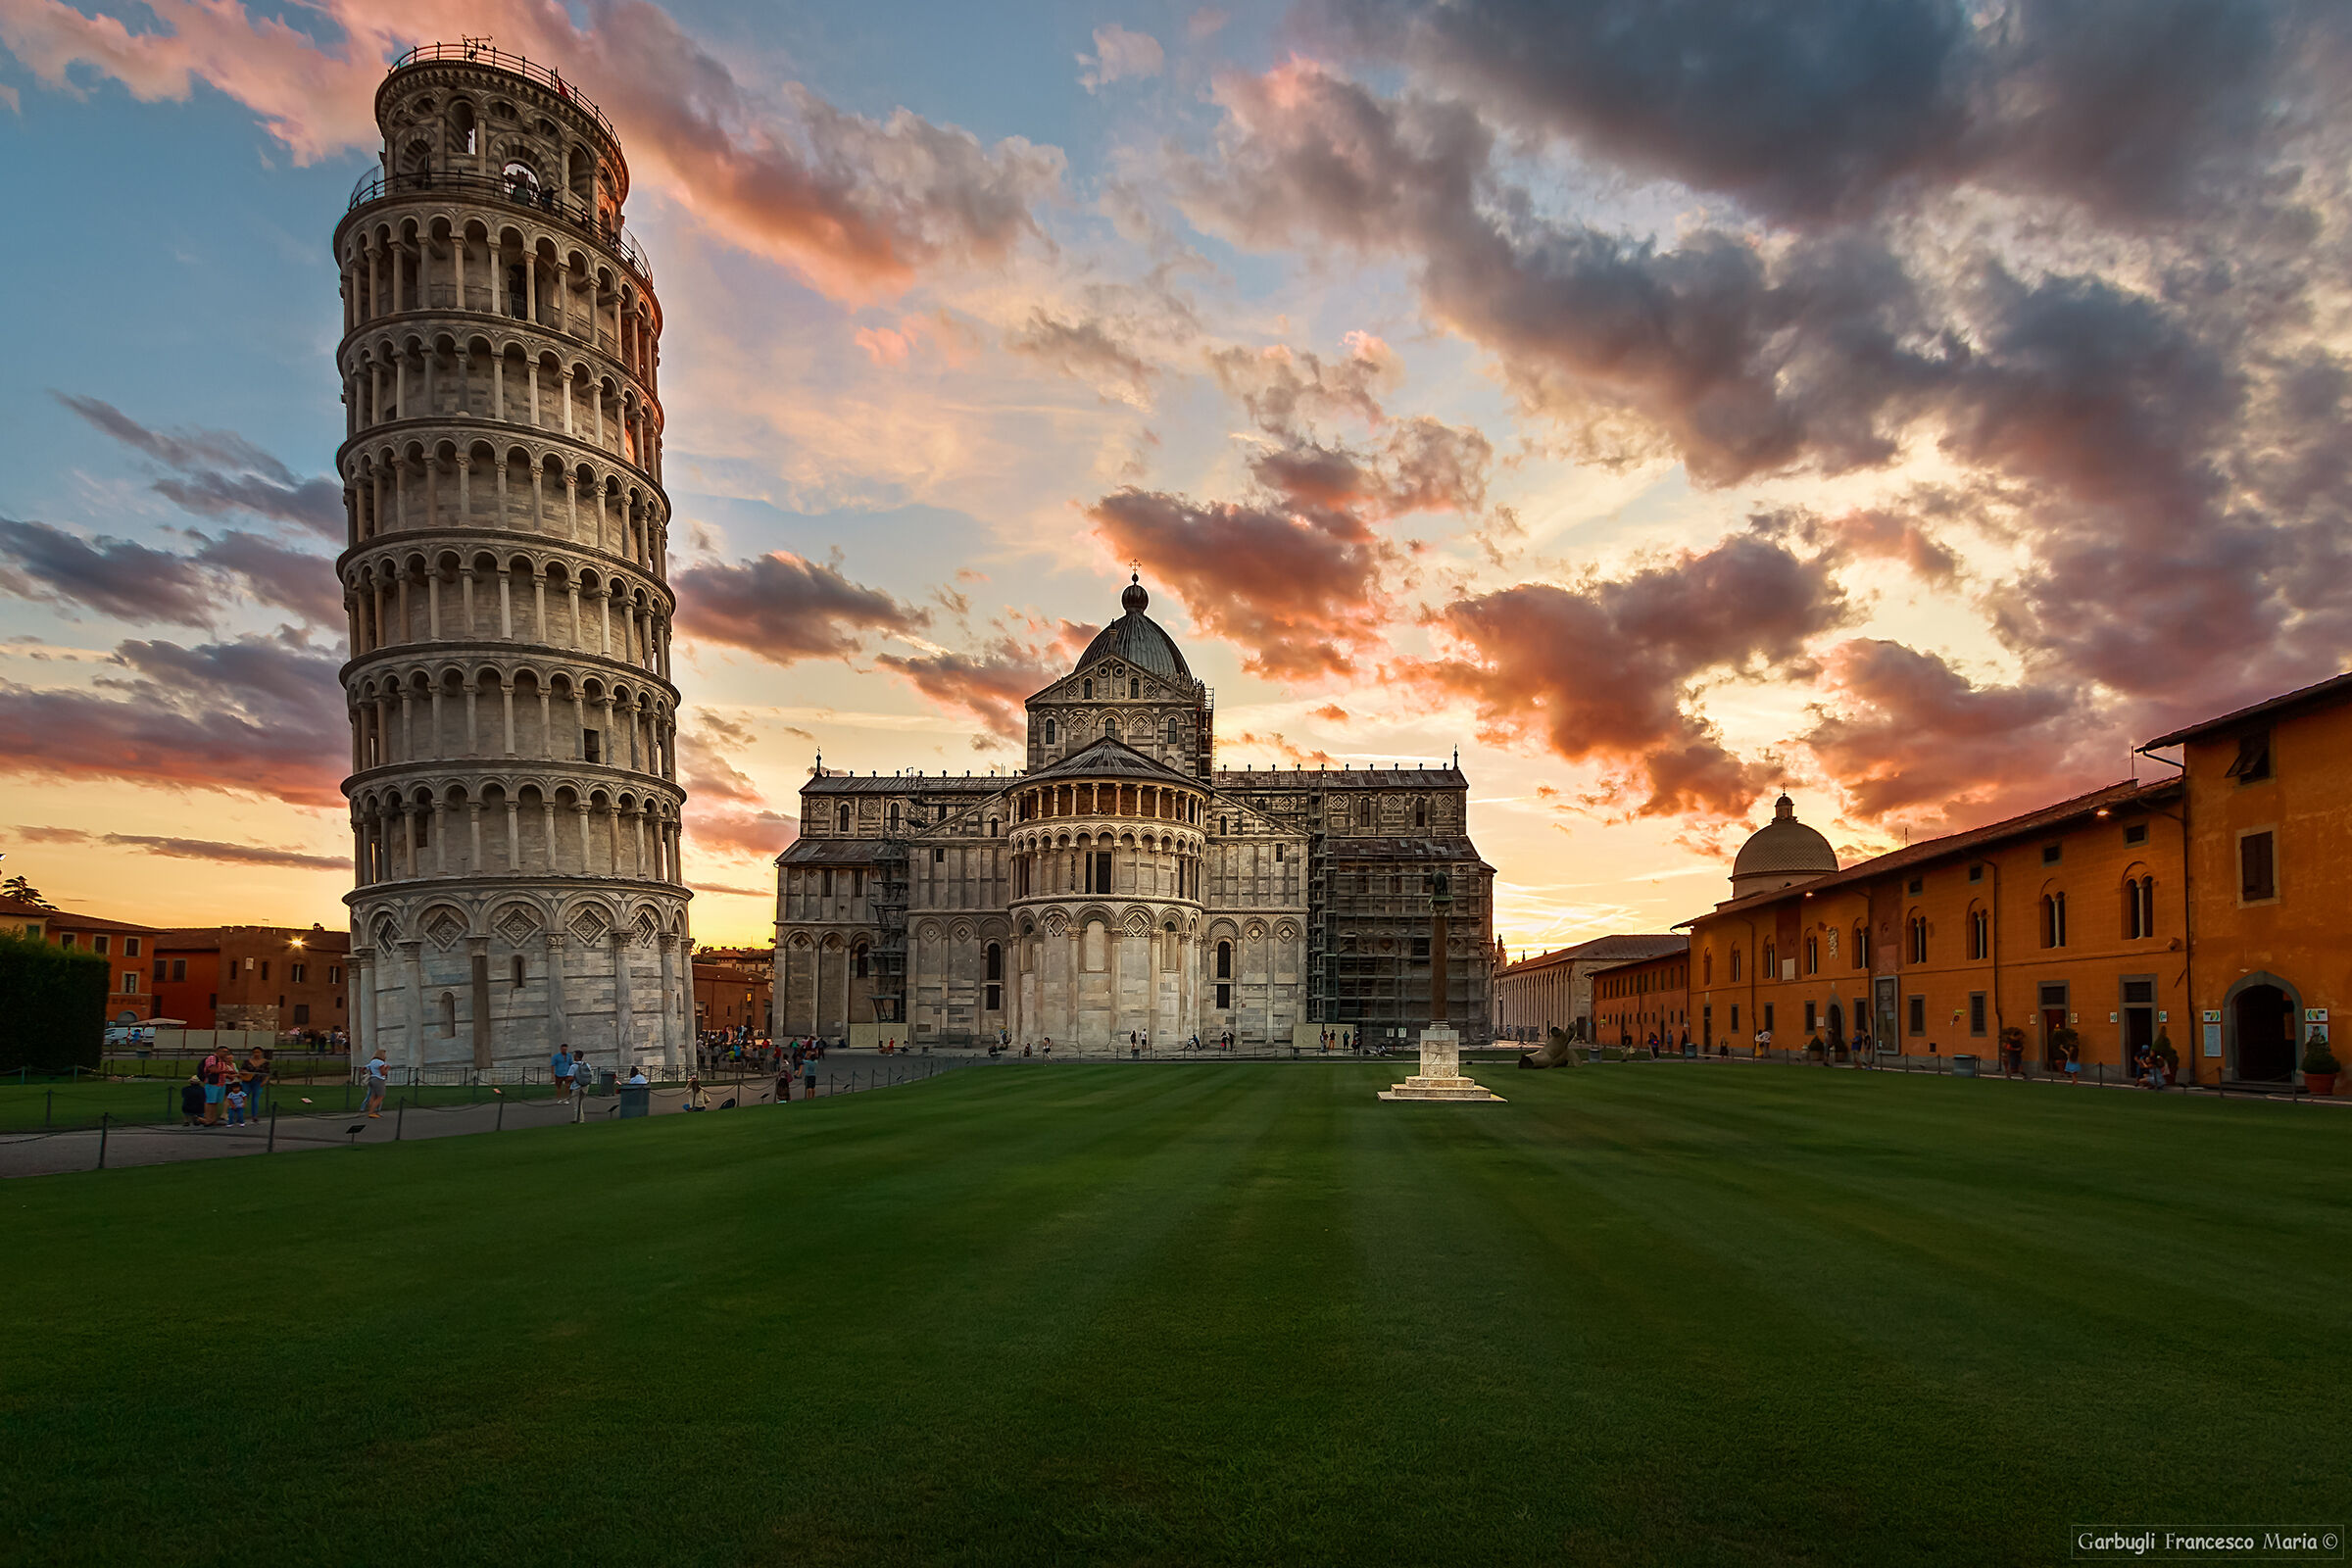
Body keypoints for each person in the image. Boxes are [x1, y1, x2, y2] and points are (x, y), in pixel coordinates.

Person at [198, 1049, 229, 1126]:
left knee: (215, 1102)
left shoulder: (223, 1061)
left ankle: (213, 1119)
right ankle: (207, 1119)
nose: (225, 1053)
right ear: (218, 1051)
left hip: (221, 1083)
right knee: (210, 1101)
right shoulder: (212, 1058)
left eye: (227, 1052)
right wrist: (227, 1072)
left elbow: (224, 1072)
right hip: (212, 1083)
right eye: (224, 1051)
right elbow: (212, 1069)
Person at [241, 1047, 271, 1119]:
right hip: (247, 1081)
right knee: (244, 1097)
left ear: (261, 1053)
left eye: (258, 1052)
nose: (256, 1054)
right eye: (255, 1052)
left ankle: (254, 1115)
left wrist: (265, 1081)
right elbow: (242, 1070)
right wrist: (244, 1072)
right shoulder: (247, 1061)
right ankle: (240, 1113)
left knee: (255, 1098)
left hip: (258, 1081)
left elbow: (268, 1073)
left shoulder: (265, 1062)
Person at [363, 1050, 389, 1118]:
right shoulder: (380, 1062)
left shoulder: (372, 1062)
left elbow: (363, 1068)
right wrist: (387, 1069)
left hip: (372, 1079)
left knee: (373, 1096)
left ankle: (371, 1111)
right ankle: (372, 1112)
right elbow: (383, 1073)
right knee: (380, 1096)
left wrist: (366, 1073)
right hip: (379, 1080)